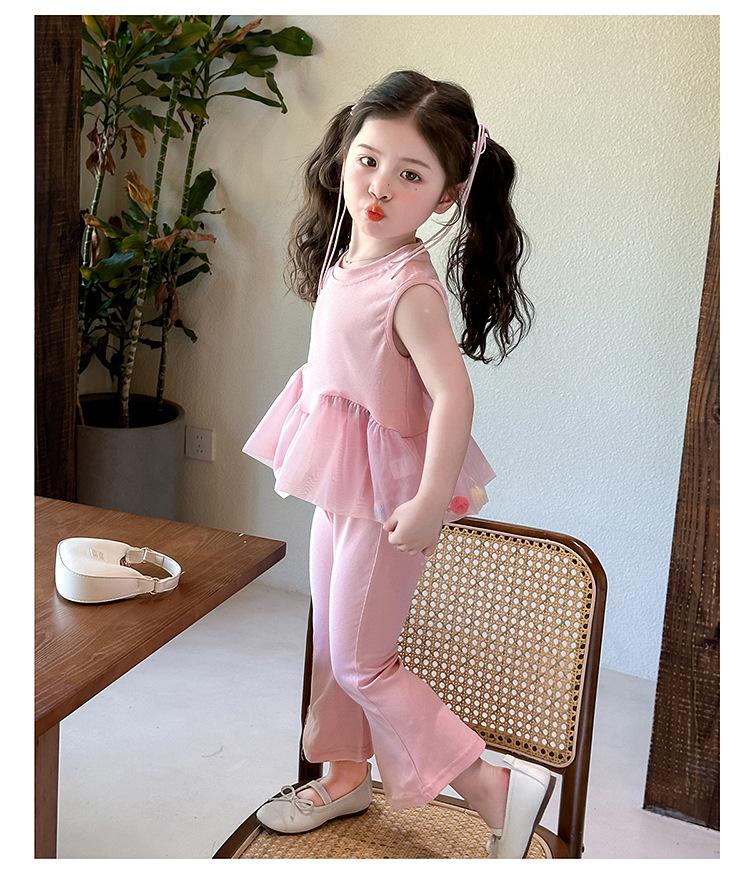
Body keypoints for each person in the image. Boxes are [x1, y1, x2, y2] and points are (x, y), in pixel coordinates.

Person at [242, 69, 553, 858]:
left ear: (446, 197)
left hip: (389, 499)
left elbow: (453, 397)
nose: (379, 186)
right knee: (331, 641)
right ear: (344, 153)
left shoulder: (408, 288)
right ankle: (346, 776)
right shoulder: (346, 255)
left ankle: (496, 789)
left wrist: (427, 501)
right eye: (369, 160)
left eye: (411, 175)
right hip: (344, 486)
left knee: (361, 659)